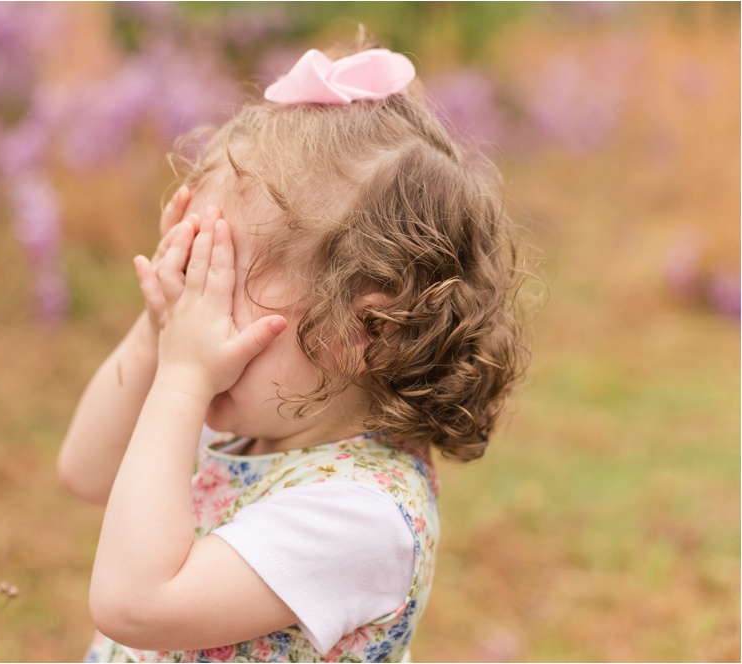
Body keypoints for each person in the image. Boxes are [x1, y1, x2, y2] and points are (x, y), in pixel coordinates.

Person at [58, 39, 528, 663]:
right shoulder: (256, 422)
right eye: (195, 271)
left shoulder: (360, 516)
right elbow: (86, 469)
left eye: (222, 289)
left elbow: (134, 604)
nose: (196, 316)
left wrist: (180, 378)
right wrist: (157, 328)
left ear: (368, 331)